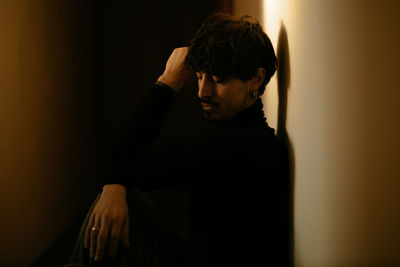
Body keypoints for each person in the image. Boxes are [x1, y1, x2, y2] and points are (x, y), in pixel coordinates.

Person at [65, 13, 290, 267]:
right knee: (120, 195)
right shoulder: (242, 135)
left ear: (256, 79)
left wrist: (168, 81)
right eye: (199, 76)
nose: (203, 92)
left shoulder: (239, 148)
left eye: (218, 79)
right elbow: (122, 165)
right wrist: (114, 188)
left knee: (120, 195)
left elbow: (123, 159)